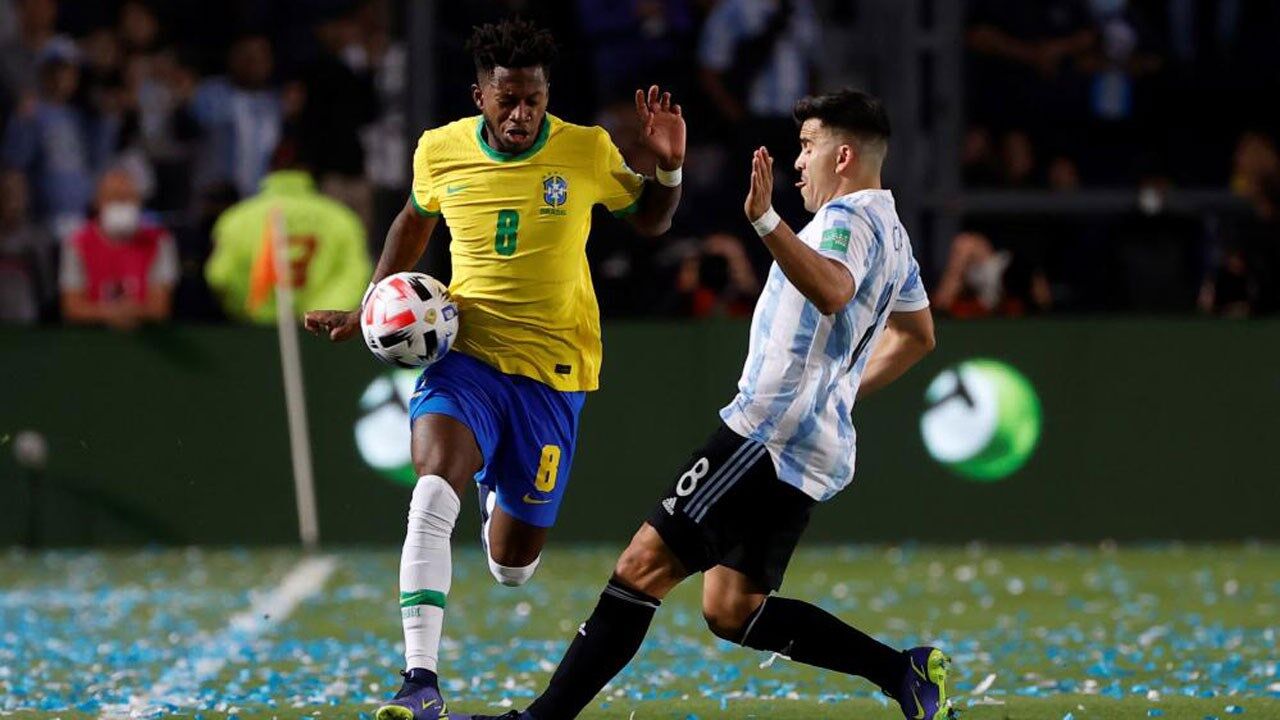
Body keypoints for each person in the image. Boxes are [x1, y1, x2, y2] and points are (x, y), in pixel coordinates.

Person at [458, 89, 951, 720]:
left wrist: (766, 222)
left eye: (808, 147)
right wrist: (841, 392)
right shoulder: (895, 234)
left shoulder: (845, 220)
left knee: (641, 566)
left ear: (844, 155)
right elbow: (918, 336)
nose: (799, 162)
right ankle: (903, 671)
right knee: (731, 608)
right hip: (810, 447)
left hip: (765, 436)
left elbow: (832, 290)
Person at [301, 17, 685, 720]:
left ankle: (494, 502)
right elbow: (412, 223)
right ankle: (419, 680)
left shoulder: (586, 149)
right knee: (429, 492)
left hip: (553, 374)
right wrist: (370, 306)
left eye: (533, 99)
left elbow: (652, 220)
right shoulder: (439, 150)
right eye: (507, 99)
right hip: (465, 357)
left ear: (547, 96)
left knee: (513, 566)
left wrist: (668, 168)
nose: (520, 114)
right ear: (480, 95)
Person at [204, 140, 370, 324]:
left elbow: (220, 276)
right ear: (308, 170)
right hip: (321, 332)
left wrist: (251, 313)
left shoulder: (235, 219)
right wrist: (322, 314)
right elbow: (355, 275)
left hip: (254, 330)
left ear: (270, 168)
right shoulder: (341, 218)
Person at [60, 168, 178, 329]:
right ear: (97, 202)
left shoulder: (159, 241)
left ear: (139, 202)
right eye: (113, 198)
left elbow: (160, 308)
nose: (121, 204)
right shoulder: (76, 243)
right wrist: (110, 313)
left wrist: (132, 312)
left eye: (127, 198)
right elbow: (72, 307)